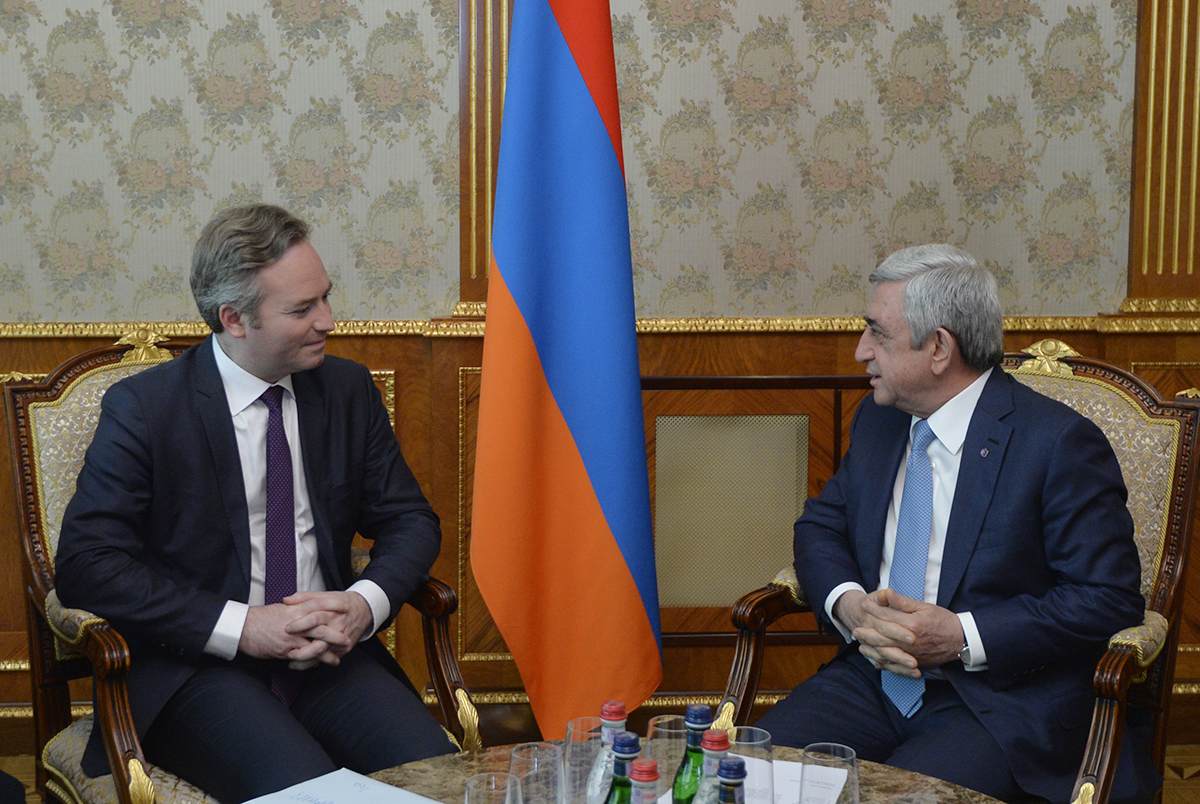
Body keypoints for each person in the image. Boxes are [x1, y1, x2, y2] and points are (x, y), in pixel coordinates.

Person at [55, 204, 456, 803]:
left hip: (325, 657)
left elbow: (409, 519)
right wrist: (243, 627)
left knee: (439, 780)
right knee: (310, 795)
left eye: (325, 297)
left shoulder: (347, 390)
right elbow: (87, 565)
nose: (327, 320)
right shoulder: (145, 409)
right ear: (234, 319)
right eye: (302, 309)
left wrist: (362, 604)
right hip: (197, 667)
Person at [755, 244, 1157, 804]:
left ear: (939, 348)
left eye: (878, 333)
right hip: (873, 678)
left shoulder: (1057, 444)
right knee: (749, 778)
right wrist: (851, 605)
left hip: (998, 701)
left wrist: (961, 636)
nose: (861, 351)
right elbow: (821, 525)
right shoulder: (879, 420)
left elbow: (1107, 599)